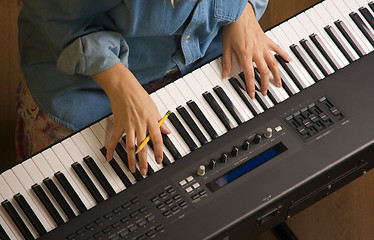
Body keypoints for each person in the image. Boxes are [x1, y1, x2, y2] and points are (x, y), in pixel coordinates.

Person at [17, 0, 290, 176]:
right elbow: (60, 20)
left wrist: (243, 10)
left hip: (207, 48)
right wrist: (120, 84)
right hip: (87, 83)